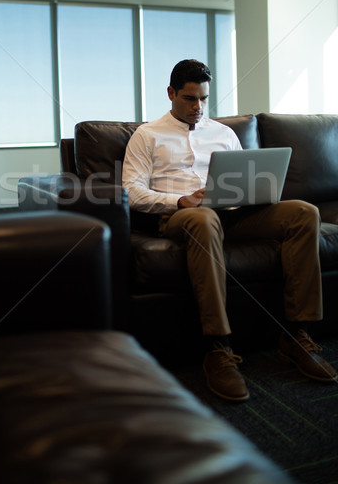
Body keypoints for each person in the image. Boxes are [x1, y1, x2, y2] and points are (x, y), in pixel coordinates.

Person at [122, 59, 337, 402]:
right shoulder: (147, 135)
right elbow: (131, 192)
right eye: (190, 99)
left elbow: (244, 177)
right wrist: (181, 201)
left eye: (204, 99)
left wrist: (257, 192)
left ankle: (298, 334)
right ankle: (218, 347)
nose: (198, 107)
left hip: (235, 215)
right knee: (203, 218)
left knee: (303, 213)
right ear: (171, 94)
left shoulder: (223, 134)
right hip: (183, 218)